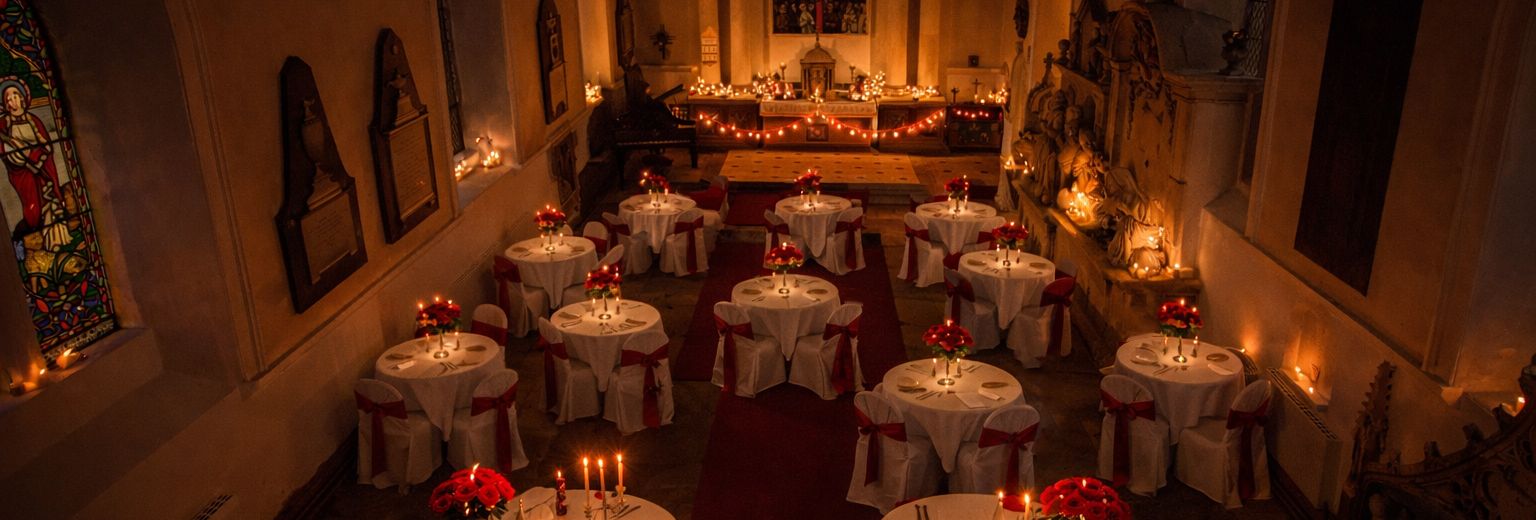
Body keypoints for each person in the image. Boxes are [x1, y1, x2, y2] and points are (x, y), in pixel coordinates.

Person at [1, 80, 67, 247]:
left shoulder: (33, 119)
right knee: (32, 208)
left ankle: (57, 237)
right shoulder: (4, 124)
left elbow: (46, 145)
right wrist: (21, 161)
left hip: (42, 167)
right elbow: (5, 150)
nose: (11, 101)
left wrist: (38, 160)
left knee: (51, 203)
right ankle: (37, 235)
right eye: (7, 99)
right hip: (22, 173)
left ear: (22, 98)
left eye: (14, 96)